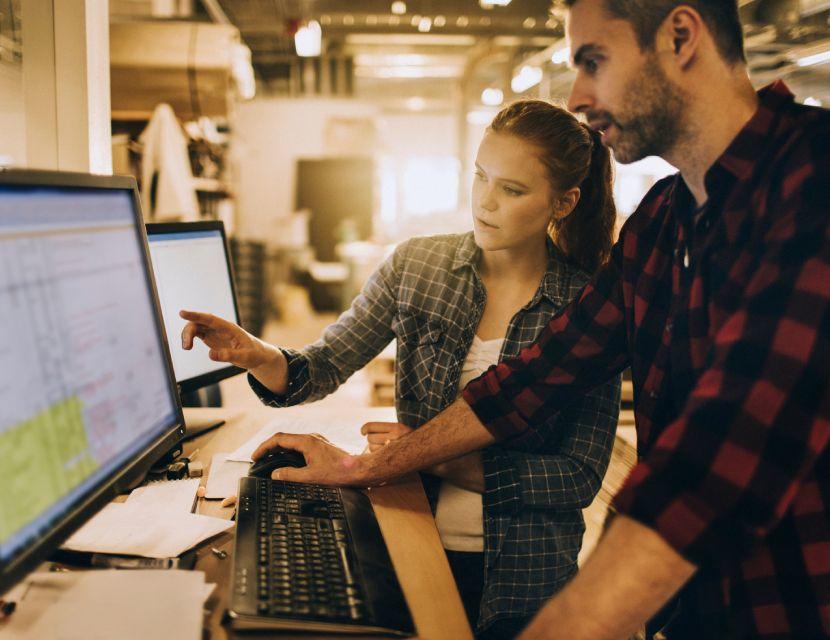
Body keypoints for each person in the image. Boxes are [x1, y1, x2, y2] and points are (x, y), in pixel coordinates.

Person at [249, 1, 830, 638]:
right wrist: (365, 467)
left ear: (680, 36)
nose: (577, 95)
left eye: (593, 60)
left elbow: (719, 462)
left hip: (796, 606)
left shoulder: (812, 181)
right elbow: (531, 381)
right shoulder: (666, 219)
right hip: (698, 612)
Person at [181, 101, 621, 637]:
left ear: (564, 202)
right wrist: (260, 354)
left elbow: (577, 478)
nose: (485, 202)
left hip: (524, 575)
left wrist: (426, 457)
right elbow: (321, 366)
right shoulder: (417, 266)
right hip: (410, 531)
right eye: (480, 177)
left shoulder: (590, 307)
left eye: (512, 189)